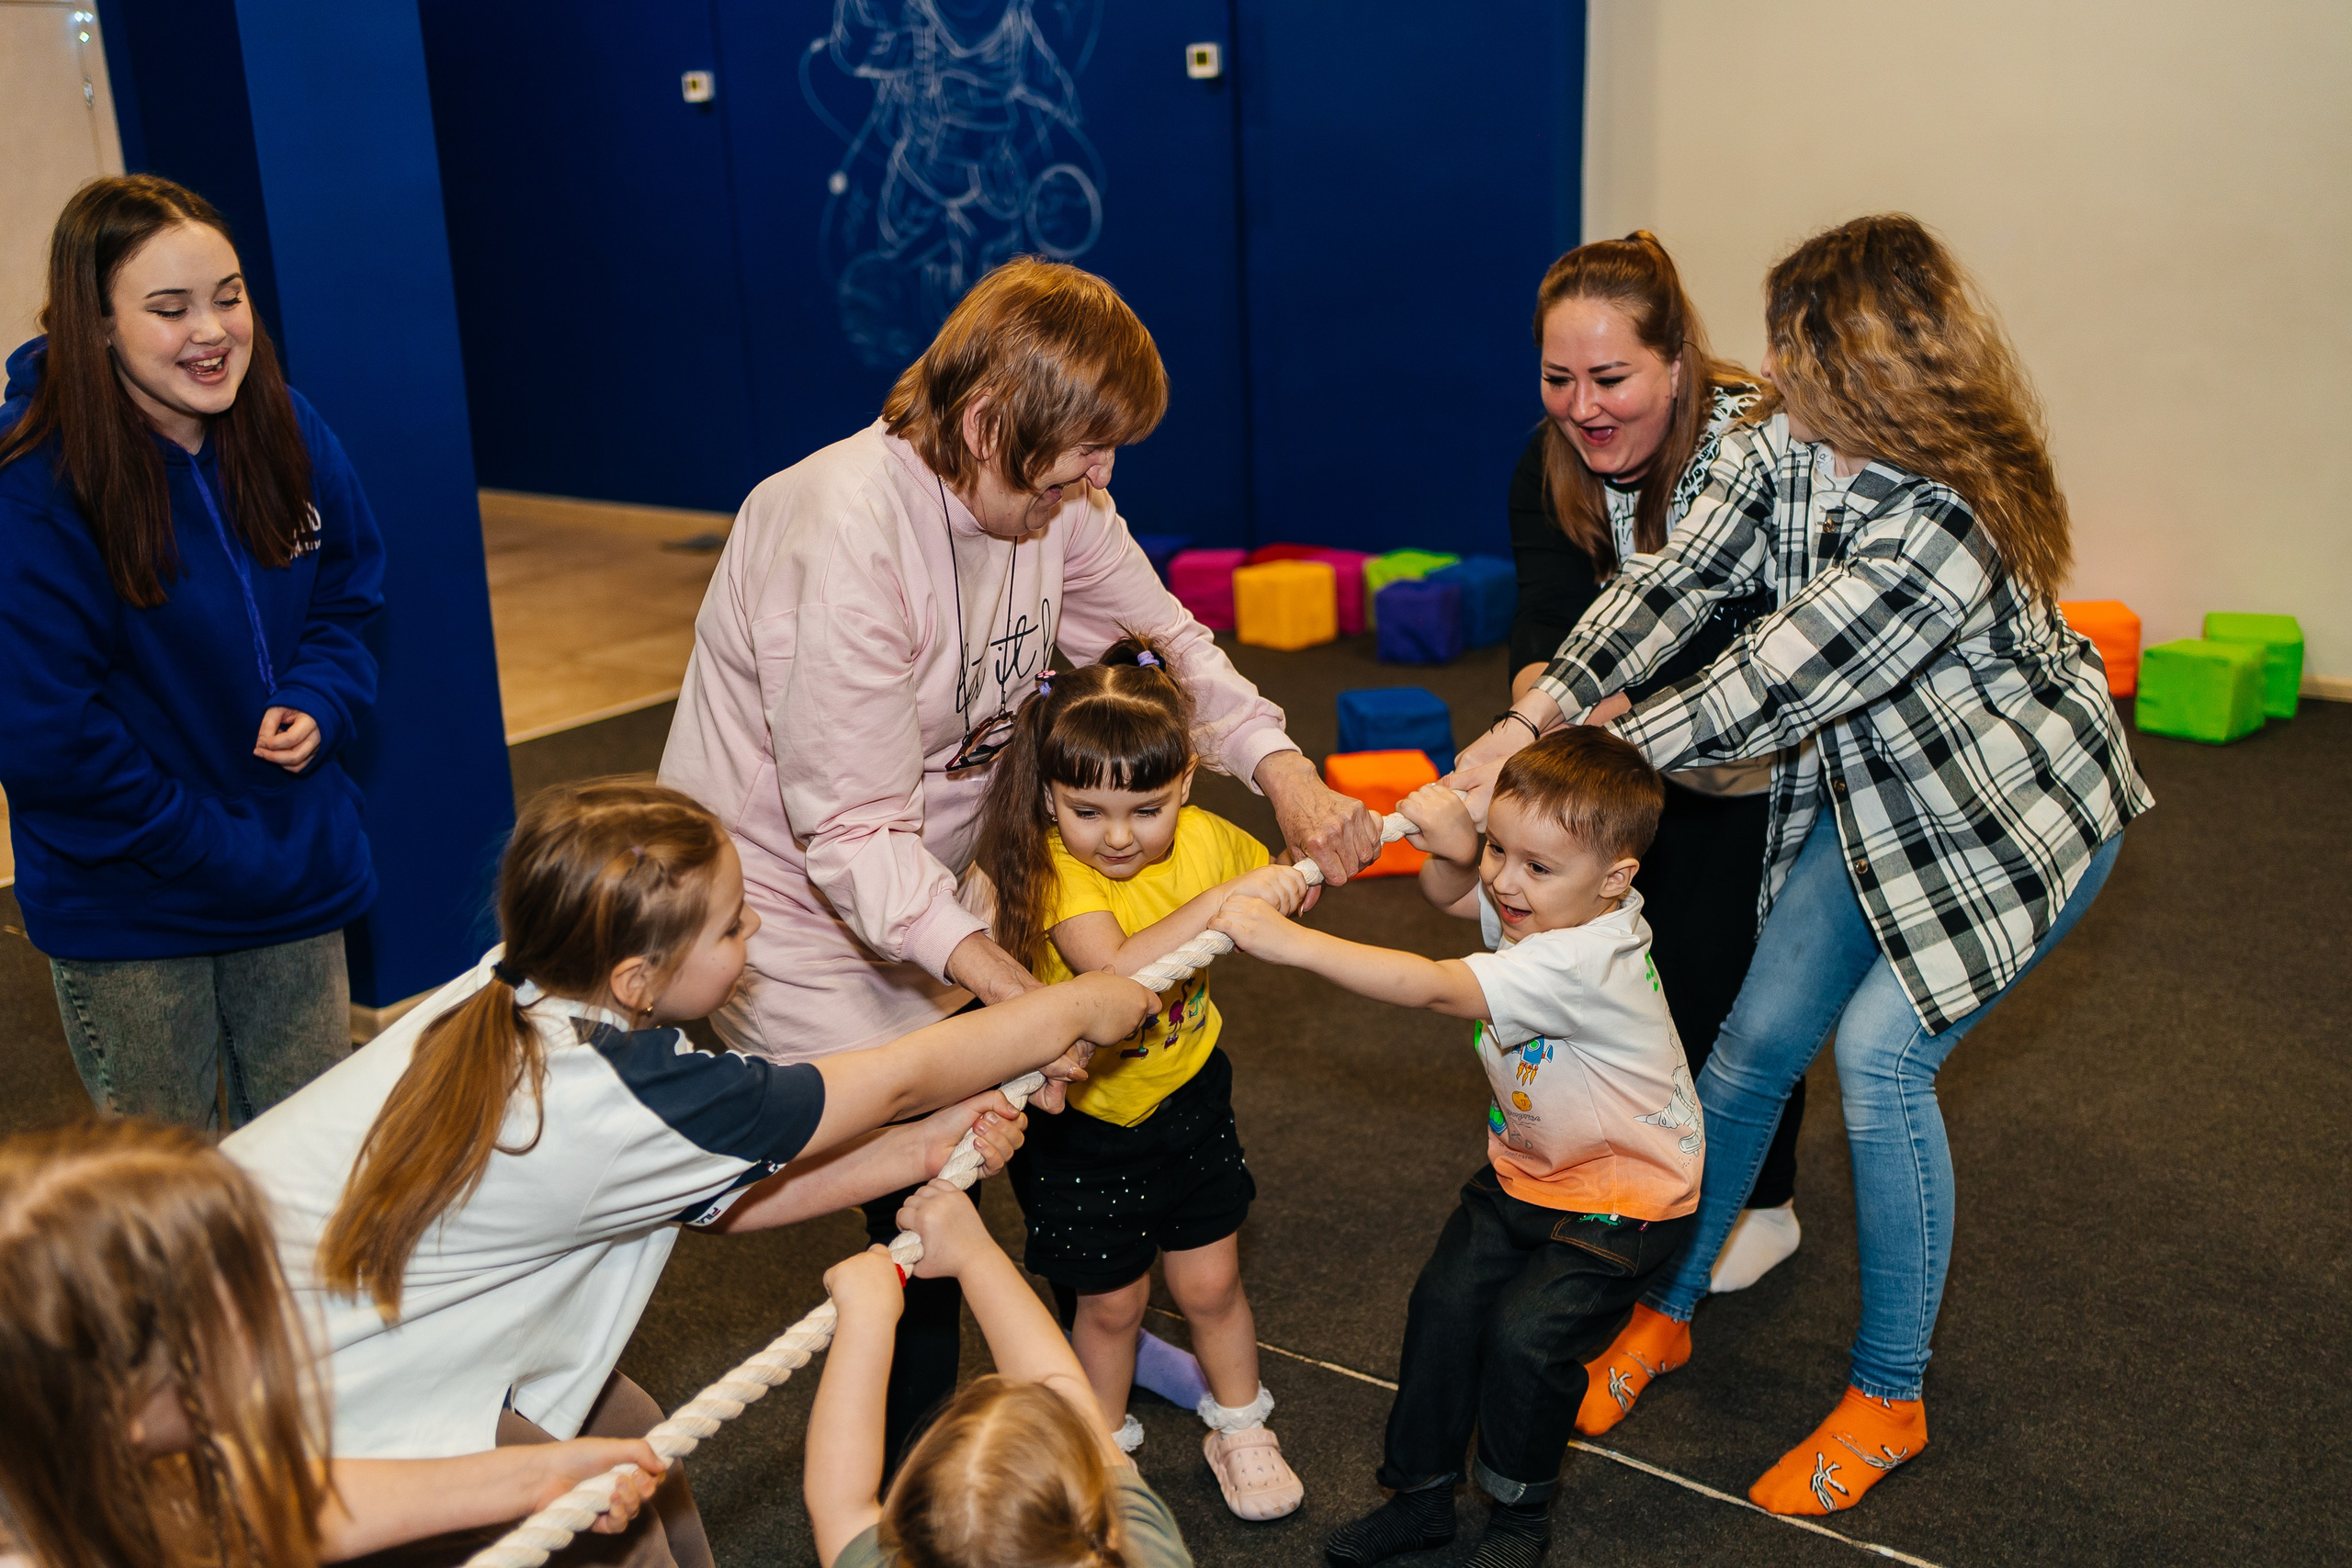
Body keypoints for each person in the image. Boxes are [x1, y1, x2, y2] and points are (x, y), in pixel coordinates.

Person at [1455, 215, 2152, 1516]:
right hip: (1880, 794)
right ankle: (1663, 1310)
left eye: (1791, 344)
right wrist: (1529, 718)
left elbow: (1758, 691)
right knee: (1751, 1044)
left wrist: (1541, 781)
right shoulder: (1788, 440)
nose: (1766, 364)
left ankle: (1890, 1392)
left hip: (2010, 817)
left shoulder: (1934, 525)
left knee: (1881, 1063)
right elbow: (1672, 584)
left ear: (1859, 362)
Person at [660, 255, 1377, 1455]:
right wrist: (1020, 995)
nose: (1103, 479)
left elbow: (1168, 639)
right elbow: (847, 835)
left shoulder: (1056, 503)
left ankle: (1082, 1322)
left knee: (991, 1131)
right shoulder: (839, 532)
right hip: (787, 902)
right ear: (990, 421)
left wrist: (1284, 765)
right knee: (916, 1193)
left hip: (932, 877)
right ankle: (909, 1480)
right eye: (1087, 450)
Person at [222, 779, 1157, 1566]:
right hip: (296, 1393)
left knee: (630, 1434)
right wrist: (1076, 1003)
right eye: (731, 926)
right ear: (638, 975)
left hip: (322, 1318)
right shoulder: (615, 1089)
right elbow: (900, 1074)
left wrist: (925, 1146)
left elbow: (720, 1200)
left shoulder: (522, 980)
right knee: (611, 1493)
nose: (753, 928)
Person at [1211, 730, 1699, 1568]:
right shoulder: (1548, 900)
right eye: (1502, 851)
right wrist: (1456, 850)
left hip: (1626, 1202)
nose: (1507, 880)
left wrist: (1288, 943)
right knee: (1443, 1305)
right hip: (1529, 1171)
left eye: (1535, 866)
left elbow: (1434, 985)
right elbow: (1453, 899)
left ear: (1616, 880)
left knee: (1525, 1337)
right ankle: (1423, 1496)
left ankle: (1516, 1518)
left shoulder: (1586, 955)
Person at [0, 175, 383, 1130]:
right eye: (169, 309)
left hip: (293, 879)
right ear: (95, 326)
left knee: (304, 1169)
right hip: (136, 904)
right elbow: (49, 735)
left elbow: (348, 591)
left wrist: (322, 695)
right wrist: (212, 845)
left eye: (229, 295)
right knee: (167, 1204)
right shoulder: (35, 486)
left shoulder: (288, 424)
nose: (212, 331)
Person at [1500, 231, 1801, 1292]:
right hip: (1620, 767)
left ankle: (1763, 1198)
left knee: (1737, 985)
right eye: (1557, 377)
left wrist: (1592, 713)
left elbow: (1752, 655)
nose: (1582, 406)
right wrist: (1529, 731)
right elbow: (1543, 619)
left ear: (1677, 363)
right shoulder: (1550, 470)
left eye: (1611, 377)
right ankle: (1641, 1168)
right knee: (1628, 978)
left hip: (1754, 771)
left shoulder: (1753, 457)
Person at [0, 1118, 673, 1568]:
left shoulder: (82, 1446)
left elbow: (267, 1501)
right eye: (240, 1302)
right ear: (132, 1389)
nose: (273, 1317)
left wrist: (533, 1478)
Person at [970, 637, 1308, 1520]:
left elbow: (1280, 875)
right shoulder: (1052, 871)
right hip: (1083, 1121)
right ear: (1048, 797)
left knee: (1211, 1286)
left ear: (1187, 782)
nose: (1118, 836)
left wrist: (1292, 876)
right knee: (1113, 1306)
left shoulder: (1205, 839)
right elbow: (1110, 970)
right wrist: (1229, 905)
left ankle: (1239, 1425)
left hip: (1191, 1098)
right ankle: (1099, 1451)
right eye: (1087, 809)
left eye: (1146, 809)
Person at [804, 1182, 1193, 1568]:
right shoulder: (1143, 1556)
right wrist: (975, 1254)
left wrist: (866, 1317)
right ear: (1108, 1532)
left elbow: (841, 1500)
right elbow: (1080, 1416)